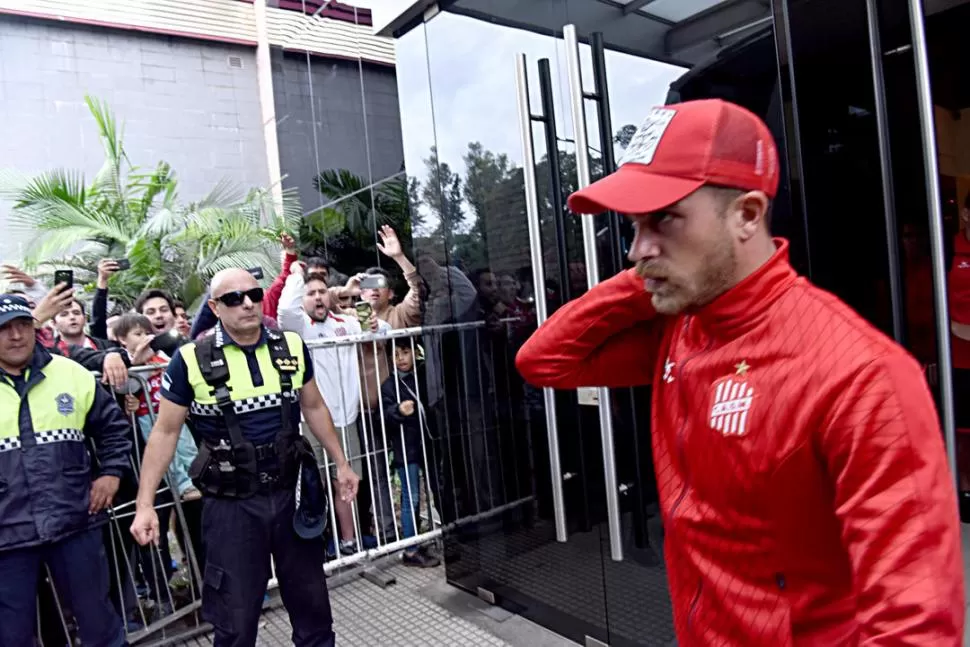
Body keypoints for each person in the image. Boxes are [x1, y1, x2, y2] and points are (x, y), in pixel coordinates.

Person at [515, 99, 964, 644]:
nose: (636, 248)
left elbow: (913, 624)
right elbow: (544, 360)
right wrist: (655, 273)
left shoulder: (862, 374)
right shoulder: (680, 329)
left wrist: (666, 269)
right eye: (634, 226)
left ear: (747, 215)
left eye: (665, 219)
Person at [130, 268, 359, 647]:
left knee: (313, 607)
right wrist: (144, 505)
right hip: (231, 507)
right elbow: (164, 432)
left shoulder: (290, 347)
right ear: (216, 307)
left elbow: (314, 405)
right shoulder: (190, 360)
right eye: (234, 299)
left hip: (290, 496)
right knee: (235, 621)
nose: (248, 303)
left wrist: (342, 463)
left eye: (253, 294)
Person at [0, 293, 132, 647]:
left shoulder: (70, 373)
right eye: (4, 329)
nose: (15, 336)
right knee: (10, 636)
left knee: (100, 628)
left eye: (22, 325)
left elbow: (115, 430)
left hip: (74, 522)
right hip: (7, 537)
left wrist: (111, 474)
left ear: (34, 328)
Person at [278, 265, 379, 554]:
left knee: (345, 483)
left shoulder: (345, 323)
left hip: (347, 418)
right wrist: (296, 273)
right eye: (311, 293)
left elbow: (377, 332)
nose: (318, 297)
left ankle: (348, 542)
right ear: (302, 299)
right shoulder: (299, 328)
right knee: (312, 486)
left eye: (322, 291)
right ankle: (316, 547)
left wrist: (374, 324)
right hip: (311, 422)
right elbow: (284, 310)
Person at [114, 313, 201, 501]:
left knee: (187, 446)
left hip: (172, 411)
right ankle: (182, 486)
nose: (145, 337)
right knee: (167, 455)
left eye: (147, 332)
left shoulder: (159, 354)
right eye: (138, 334)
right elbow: (125, 387)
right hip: (148, 415)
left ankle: (199, 479)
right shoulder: (125, 361)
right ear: (122, 339)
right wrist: (139, 365)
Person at [381, 344, 439, 567]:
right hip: (406, 448)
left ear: (415, 353)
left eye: (405, 353)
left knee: (433, 490)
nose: (400, 358)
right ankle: (411, 550)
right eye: (395, 355)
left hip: (427, 443)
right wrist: (398, 411)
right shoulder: (389, 385)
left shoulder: (423, 376)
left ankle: (423, 537)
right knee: (410, 497)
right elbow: (383, 416)